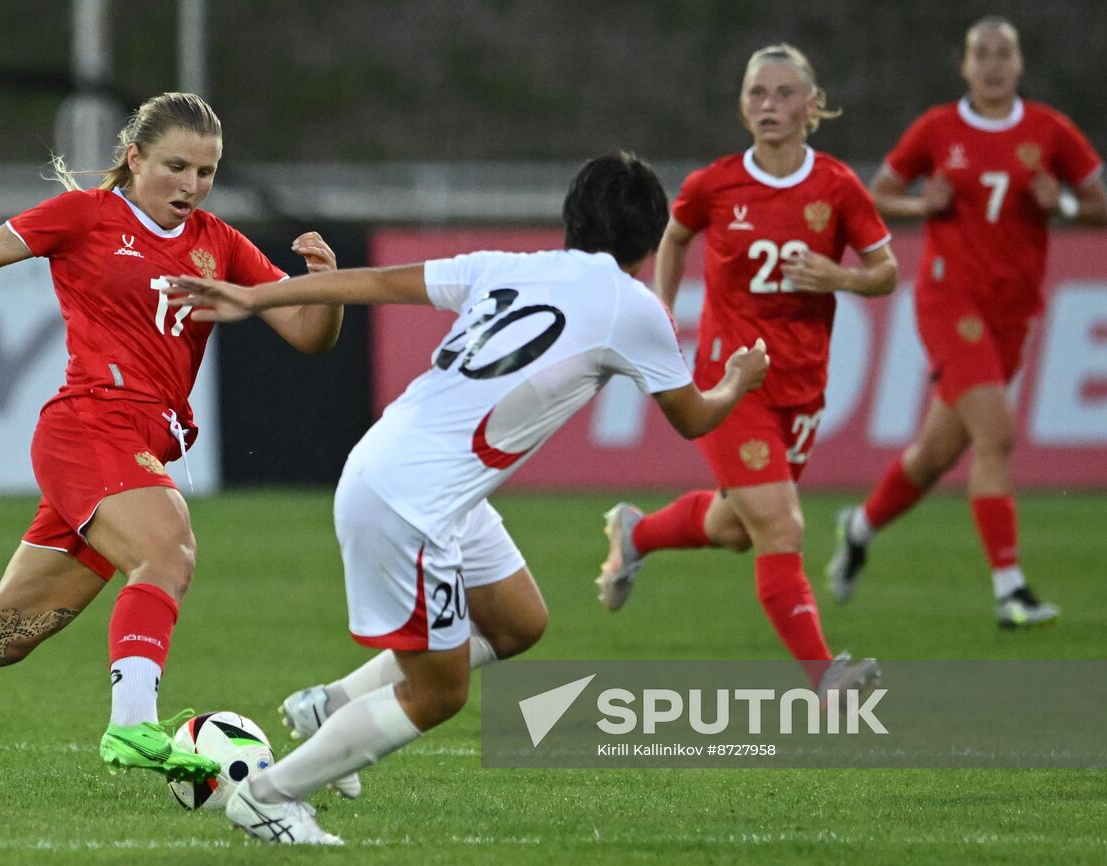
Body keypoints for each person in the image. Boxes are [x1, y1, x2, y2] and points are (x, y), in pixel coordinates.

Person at [161, 152, 770, 844]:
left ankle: (330, 708)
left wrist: (254, 296)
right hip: (410, 500)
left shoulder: (509, 266)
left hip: (411, 474)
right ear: (650, 241)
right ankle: (268, 797)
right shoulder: (635, 309)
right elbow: (694, 417)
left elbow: (381, 283)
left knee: (517, 622)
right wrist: (739, 380)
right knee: (440, 691)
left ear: (570, 219)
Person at [0, 92, 344, 799]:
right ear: (134, 158)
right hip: (89, 428)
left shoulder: (218, 242)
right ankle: (133, 724)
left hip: (139, 446)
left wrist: (328, 291)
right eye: (175, 166)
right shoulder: (87, 216)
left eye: (206, 171)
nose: (191, 186)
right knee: (167, 548)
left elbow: (308, 337)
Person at [594, 45, 896, 689]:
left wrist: (838, 274)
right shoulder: (715, 184)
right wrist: (663, 311)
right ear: (742, 104)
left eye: (785, 94)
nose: (770, 105)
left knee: (738, 528)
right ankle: (825, 676)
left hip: (803, 387)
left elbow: (886, 272)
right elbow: (675, 236)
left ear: (812, 107)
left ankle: (638, 532)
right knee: (782, 525)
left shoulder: (837, 186)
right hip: (733, 383)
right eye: (758, 93)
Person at [826, 17, 1107, 627]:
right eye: (981, 54)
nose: (992, 65)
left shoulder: (1049, 130)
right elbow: (877, 193)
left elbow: (1098, 207)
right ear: (964, 67)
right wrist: (919, 205)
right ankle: (1011, 589)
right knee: (997, 437)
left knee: (934, 455)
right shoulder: (937, 129)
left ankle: (860, 525)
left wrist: (1056, 203)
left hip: (1013, 312)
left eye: (1003, 53)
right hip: (948, 302)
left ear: (1020, 63)